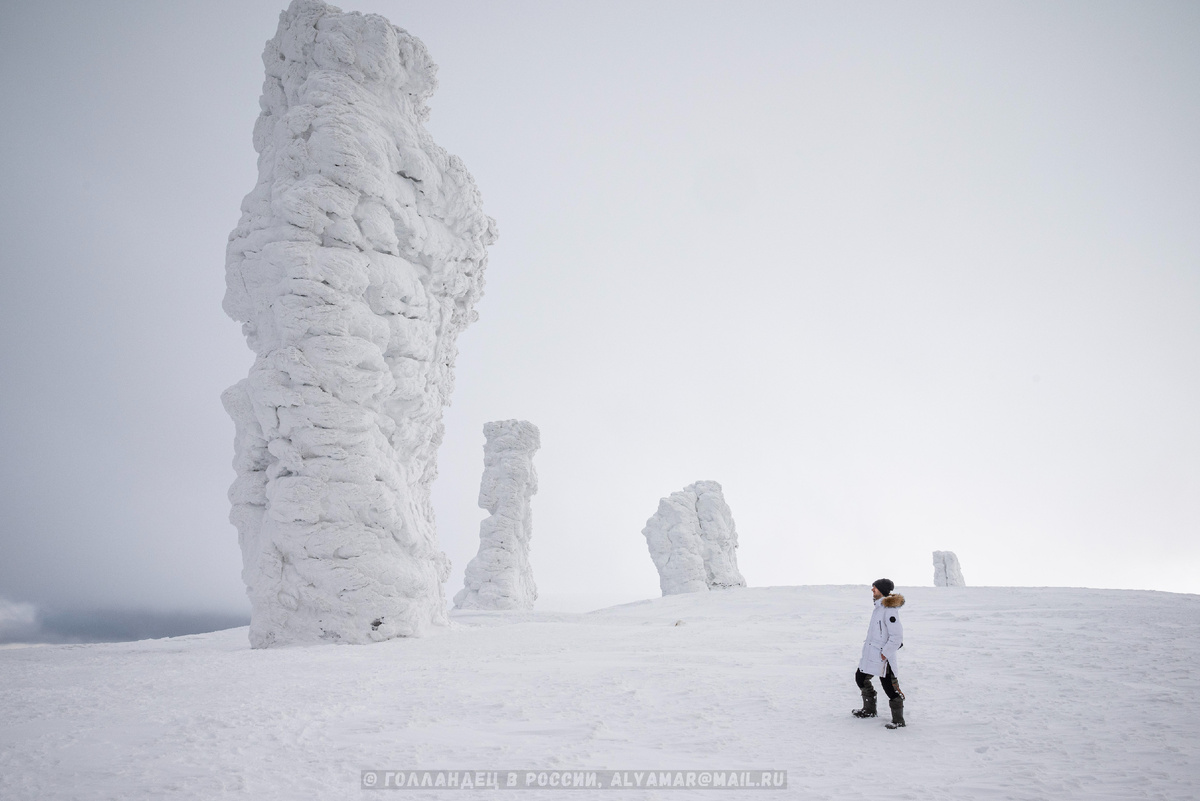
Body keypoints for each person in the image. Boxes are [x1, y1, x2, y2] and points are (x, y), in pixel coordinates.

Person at [851, 578, 906, 728]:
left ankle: (898, 721)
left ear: (881, 590)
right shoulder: (879, 608)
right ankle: (869, 710)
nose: (872, 590)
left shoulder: (890, 610)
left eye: (874, 588)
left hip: (883, 657)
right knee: (860, 678)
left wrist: (885, 653)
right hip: (871, 653)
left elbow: (897, 637)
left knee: (890, 688)